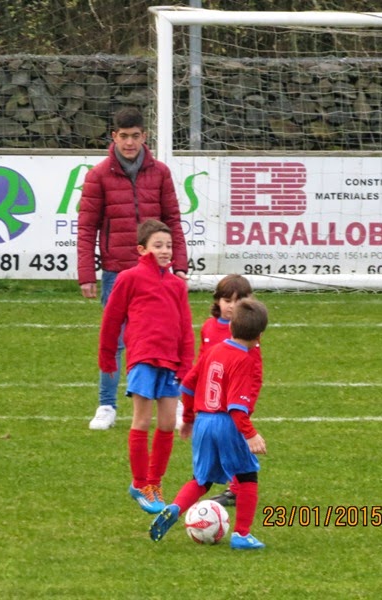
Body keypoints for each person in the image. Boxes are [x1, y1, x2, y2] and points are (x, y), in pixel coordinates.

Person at [78, 106, 189, 431]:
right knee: (116, 339)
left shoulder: (161, 173)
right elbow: (87, 227)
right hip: (117, 271)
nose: (129, 142)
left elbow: (173, 221)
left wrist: (178, 263)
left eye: (135, 136)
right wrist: (87, 273)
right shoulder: (98, 175)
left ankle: (177, 399)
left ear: (145, 136)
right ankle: (106, 405)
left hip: (158, 274)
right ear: (114, 137)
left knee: (168, 337)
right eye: (123, 136)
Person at [149, 298, 269, 549]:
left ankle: (175, 507)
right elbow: (237, 406)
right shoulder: (244, 360)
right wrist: (250, 434)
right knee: (247, 477)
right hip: (226, 423)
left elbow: (188, 385)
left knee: (201, 480)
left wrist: (190, 418)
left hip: (203, 422)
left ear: (231, 327)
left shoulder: (214, 350)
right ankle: (241, 534)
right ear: (259, 336)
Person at [99, 219, 195, 514]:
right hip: (142, 358)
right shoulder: (129, 278)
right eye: (158, 246)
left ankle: (154, 483)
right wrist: (106, 356)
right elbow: (112, 318)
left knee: (167, 424)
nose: (166, 251)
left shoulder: (177, 285)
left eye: (169, 246)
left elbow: (185, 327)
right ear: (142, 249)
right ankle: (140, 483)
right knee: (142, 420)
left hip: (171, 363)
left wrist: (186, 365)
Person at [198, 274, 263, 508]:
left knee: (235, 442)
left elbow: (254, 368)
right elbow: (202, 362)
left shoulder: (246, 330)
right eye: (227, 300)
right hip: (212, 402)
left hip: (236, 399)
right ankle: (230, 485)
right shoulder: (208, 327)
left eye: (238, 301)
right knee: (220, 444)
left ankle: (236, 488)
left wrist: (249, 398)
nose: (232, 306)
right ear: (217, 301)